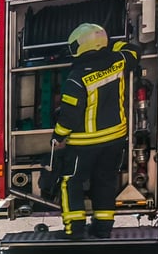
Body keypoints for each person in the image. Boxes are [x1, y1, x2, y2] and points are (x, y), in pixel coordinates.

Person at [53, 23, 140, 239]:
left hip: (84, 143)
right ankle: (102, 229)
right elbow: (134, 51)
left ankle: (74, 230)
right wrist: (114, 44)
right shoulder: (118, 61)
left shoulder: (76, 76)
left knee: (70, 181)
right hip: (115, 139)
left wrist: (58, 136)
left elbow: (69, 115)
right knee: (105, 181)